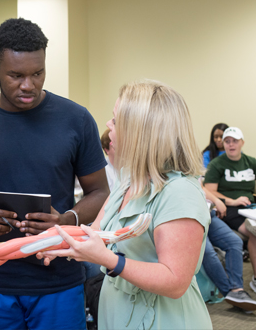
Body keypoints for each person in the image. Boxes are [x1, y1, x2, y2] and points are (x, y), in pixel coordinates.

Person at [0, 18, 109, 330]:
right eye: (16, 75)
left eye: (38, 73)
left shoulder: (76, 119)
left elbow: (100, 192)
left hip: (58, 278)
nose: (28, 85)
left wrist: (65, 220)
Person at [39, 80, 212, 329]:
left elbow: (175, 281)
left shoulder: (180, 192)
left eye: (116, 121)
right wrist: (55, 242)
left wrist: (111, 261)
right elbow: (94, 234)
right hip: (120, 310)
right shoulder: (130, 179)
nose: (108, 127)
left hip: (163, 318)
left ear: (139, 132)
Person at [204, 126, 256, 293]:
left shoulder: (251, 162)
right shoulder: (217, 164)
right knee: (253, 232)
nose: (231, 144)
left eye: (234, 141)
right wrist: (232, 201)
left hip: (250, 206)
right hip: (229, 208)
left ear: (242, 142)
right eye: (227, 141)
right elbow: (210, 191)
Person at [202, 186, 256, 310]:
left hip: (208, 213)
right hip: (189, 217)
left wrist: (217, 201)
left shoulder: (192, 172)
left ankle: (237, 290)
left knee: (234, 241)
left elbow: (200, 186)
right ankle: (231, 293)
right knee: (208, 251)